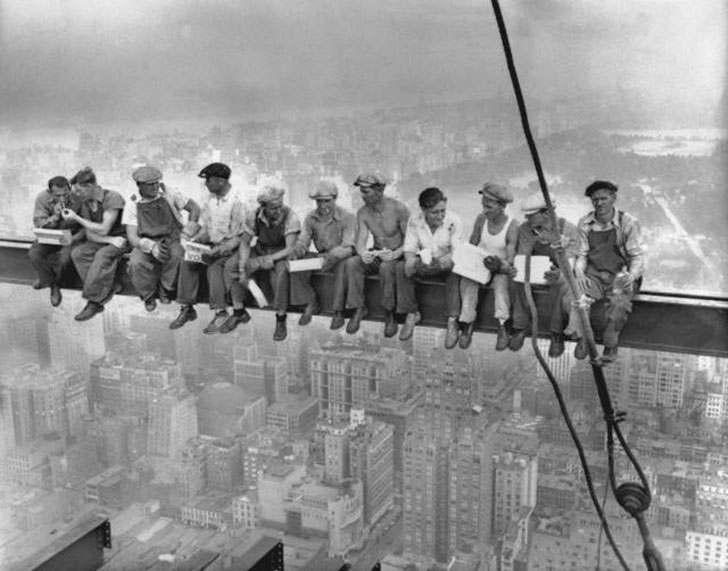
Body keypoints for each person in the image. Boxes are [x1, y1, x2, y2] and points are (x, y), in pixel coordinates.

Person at [565, 180, 644, 363]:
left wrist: (631, 277)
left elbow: (637, 256)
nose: (599, 204)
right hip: (595, 274)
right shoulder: (585, 223)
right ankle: (583, 337)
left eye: (603, 199)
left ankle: (610, 345)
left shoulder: (628, 222)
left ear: (613, 198)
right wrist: (580, 273)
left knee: (618, 304)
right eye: (595, 200)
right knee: (578, 297)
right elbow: (582, 254)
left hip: (620, 275)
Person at [169, 162, 247, 334]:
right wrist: (195, 241)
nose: (206, 184)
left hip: (231, 249)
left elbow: (239, 237)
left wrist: (218, 251)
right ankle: (187, 307)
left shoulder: (237, 202)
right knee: (187, 261)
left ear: (220, 181)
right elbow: (206, 229)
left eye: (208, 180)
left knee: (214, 267)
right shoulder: (209, 200)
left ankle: (221, 312)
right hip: (212, 245)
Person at [508, 192, 578, 357]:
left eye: (531, 215)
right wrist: (519, 268)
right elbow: (523, 255)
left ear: (546, 213)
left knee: (562, 285)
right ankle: (520, 326)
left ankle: (556, 333)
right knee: (517, 281)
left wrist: (559, 273)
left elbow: (571, 263)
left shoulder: (568, 229)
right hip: (534, 270)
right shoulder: (526, 229)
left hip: (559, 271)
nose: (527, 218)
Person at [123, 166, 201, 312]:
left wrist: (187, 232)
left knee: (177, 255)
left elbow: (194, 208)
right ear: (139, 185)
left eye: (156, 182)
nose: (155, 187)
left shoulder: (169, 192)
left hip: (172, 237)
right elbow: (132, 236)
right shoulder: (132, 203)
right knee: (136, 263)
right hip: (147, 240)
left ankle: (166, 289)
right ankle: (148, 296)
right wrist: (151, 247)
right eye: (150, 184)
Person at [231, 184, 301, 341]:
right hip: (261, 248)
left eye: (280, 206)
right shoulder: (254, 215)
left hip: (280, 252)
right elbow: (245, 243)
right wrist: (244, 265)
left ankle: (281, 318)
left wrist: (267, 260)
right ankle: (239, 310)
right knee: (236, 266)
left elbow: (290, 248)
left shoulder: (291, 216)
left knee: (281, 274)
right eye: (273, 208)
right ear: (264, 207)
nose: (278, 211)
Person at [345, 172, 410, 337]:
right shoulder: (363, 213)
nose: (362, 195)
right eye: (361, 191)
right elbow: (361, 240)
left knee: (386, 268)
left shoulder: (399, 209)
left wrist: (396, 254)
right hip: (378, 252)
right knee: (353, 263)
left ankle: (390, 313)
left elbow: (411, 241)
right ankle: (358, 308)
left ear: (379, 191)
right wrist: (363, 253)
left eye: (366, 191)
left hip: (397, 255)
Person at [457, 182, 519, 350]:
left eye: (489, 207)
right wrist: (469, 261)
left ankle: (502, 324)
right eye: (483, 206)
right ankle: (467, 322)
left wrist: (499, 264)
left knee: (501, 286)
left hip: (499, 268)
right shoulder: (481, 219)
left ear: (502, 206)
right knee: (468, 282)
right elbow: (473, 243)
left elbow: (511, 258)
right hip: (480, 264)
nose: (485, 210)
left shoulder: (512, 226)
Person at [62, 167, 128, 321]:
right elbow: (90, 232)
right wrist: (108, 240)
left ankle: (94, 302)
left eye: (79, 191)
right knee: (78, 253)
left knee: (102, 256)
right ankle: (110, 286)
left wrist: (76, 218)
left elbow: (104, 229)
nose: (77, 194)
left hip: (122, 239)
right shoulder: (86, 203)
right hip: (107, 240)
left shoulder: (112, 198)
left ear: (90, 187)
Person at [289, 180, 357, 330]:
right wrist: (297, 251)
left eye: (327, 201)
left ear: (335, 199)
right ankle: (311, 301)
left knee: (342, 266)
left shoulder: (347, 217)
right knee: (297, 264)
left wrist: (333, 256)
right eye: (319, 202)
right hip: (322, 257)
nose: (322, 205)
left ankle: (338, 311)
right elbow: (304, 240)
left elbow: (349, 246)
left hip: (341, 257)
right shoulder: (311, 218)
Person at [401, 187, 463, 346]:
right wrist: (415, 263)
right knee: (403, 269)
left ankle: (452, 321)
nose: (441, 216)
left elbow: (458, 252)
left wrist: (441, 264)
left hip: (446, 264)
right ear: (424, 210)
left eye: (443, 211)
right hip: (425, 261)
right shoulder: (415, 221)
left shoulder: (454, 221)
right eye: (435, 212)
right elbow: (409, 248)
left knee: (455, 274)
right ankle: (412, 312)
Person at [28, 175, 84, 307]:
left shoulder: (79, 198)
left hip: (72, 236)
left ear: (69, 189)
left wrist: (74, 238)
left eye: (65, 194)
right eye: (58, 195)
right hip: (50, 235)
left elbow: (86, 225)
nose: (62, 198)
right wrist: (55, 217)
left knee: (64, 259)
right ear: (50, 192)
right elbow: (39, 223)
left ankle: (50, 283)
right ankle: (50, 282)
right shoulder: (42, 198)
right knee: (34, 254)